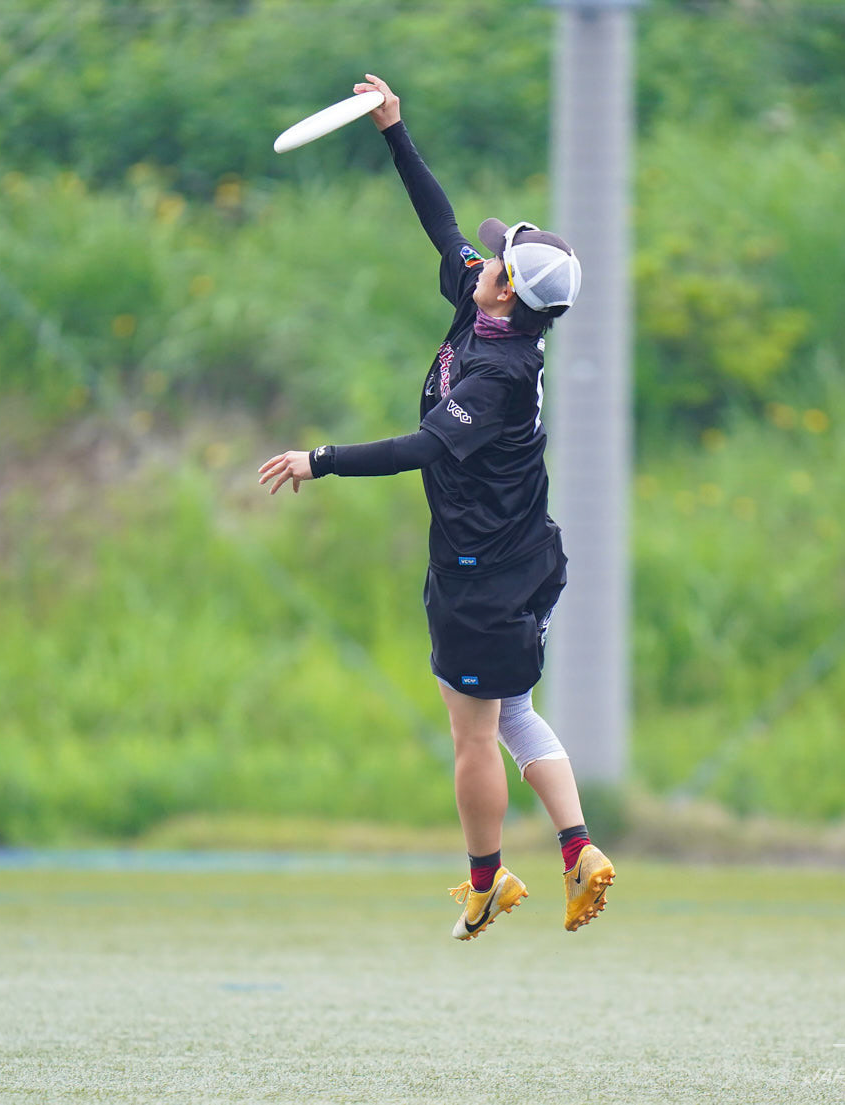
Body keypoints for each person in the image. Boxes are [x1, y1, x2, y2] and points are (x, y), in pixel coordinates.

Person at [258, 74, 614, 941]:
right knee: (514, 711)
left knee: (473, 733)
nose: (478, 260)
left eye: (494, 261)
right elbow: (441, 222)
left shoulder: (498, 375)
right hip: (526, 556)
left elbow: (421, 447)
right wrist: (394, 131)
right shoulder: (491, 311)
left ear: (508, 292)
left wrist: (320, 460)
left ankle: (487, 881)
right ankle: (578, 850)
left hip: (483, 577)